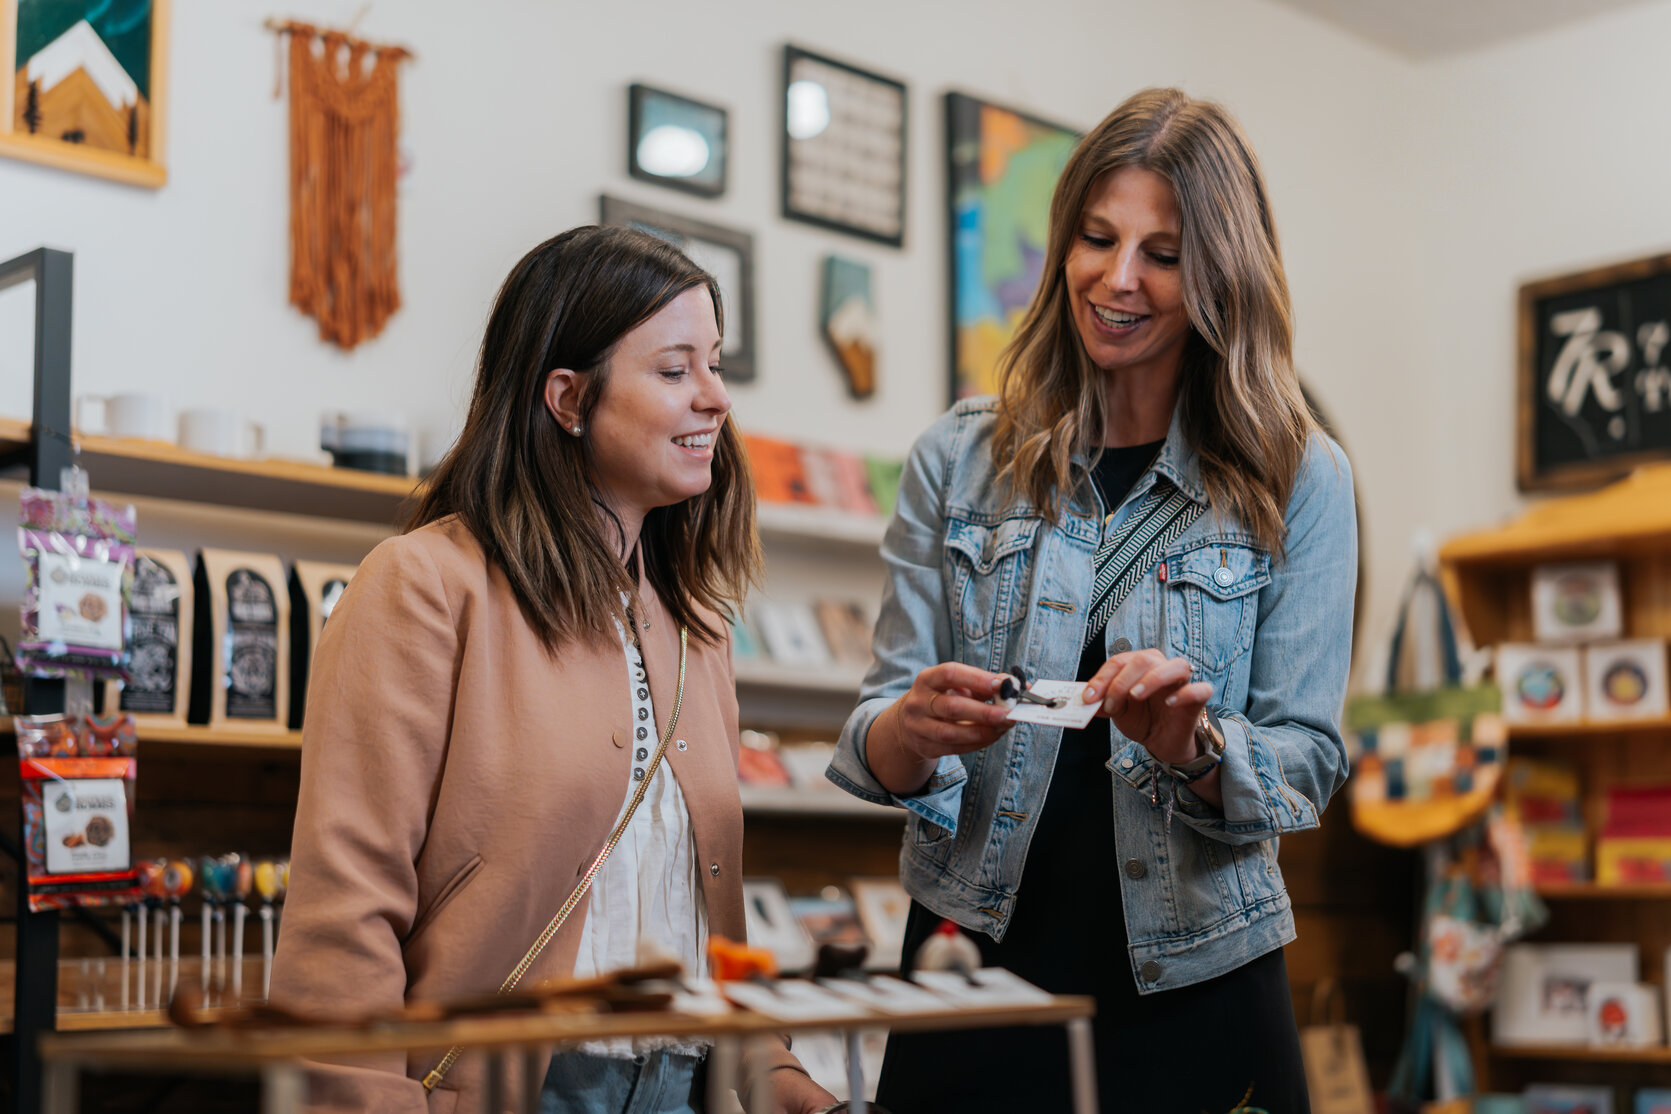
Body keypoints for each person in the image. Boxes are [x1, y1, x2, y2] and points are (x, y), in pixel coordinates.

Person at [827, 88, 1358, 1113]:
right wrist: (913, 726)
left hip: (1198, 976)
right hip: (972, 967)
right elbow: (876, 733)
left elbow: (1308, 758)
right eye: (1096, 238)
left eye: (1163, 253)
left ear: (1223, 269)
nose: (1119, 279)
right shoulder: (958, 459)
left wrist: (1195, 750)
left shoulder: (1297, 473)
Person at [271, 226, 834, 1114]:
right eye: (675, 369)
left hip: (690, 1090)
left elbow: (699, 912)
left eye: (716, 366)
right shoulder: (422, 585)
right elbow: (344, 912)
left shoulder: (698, 626)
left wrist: (785, 1082)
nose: (716, 398)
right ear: (568, 397)